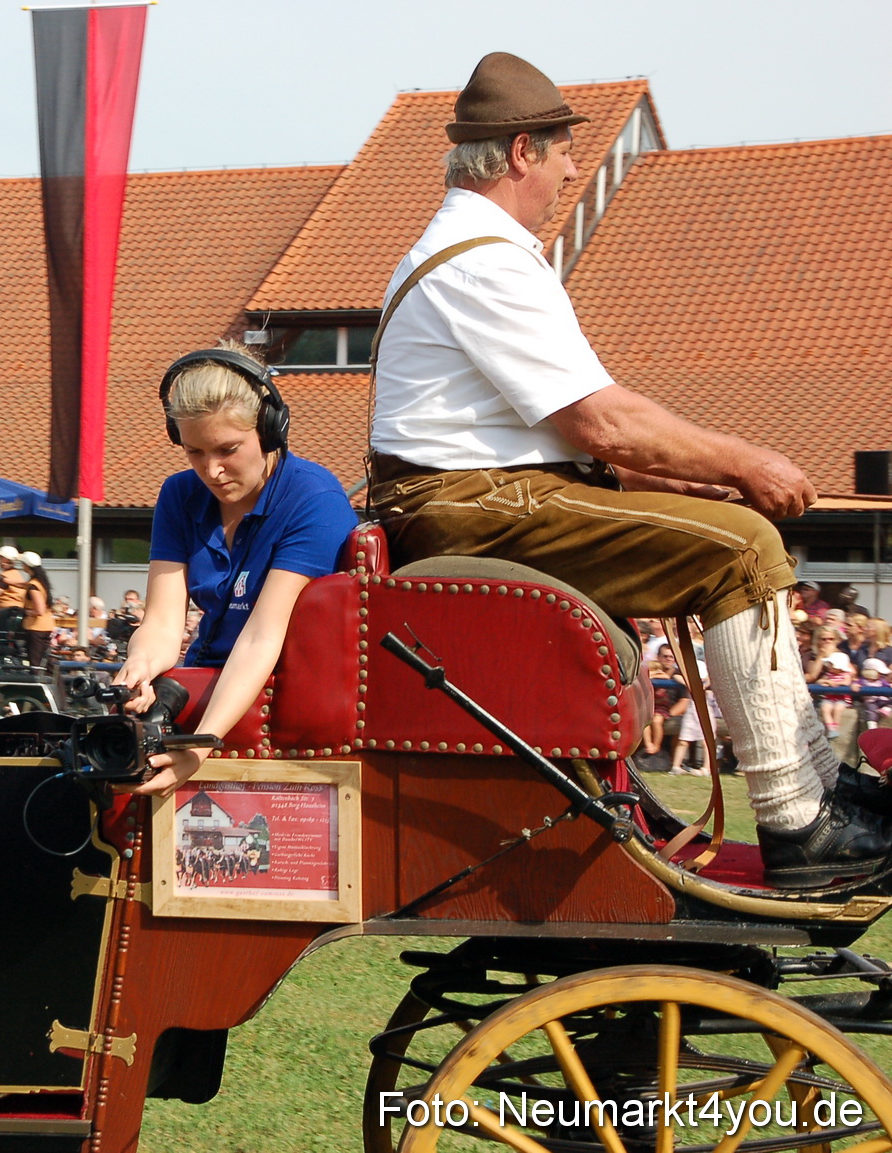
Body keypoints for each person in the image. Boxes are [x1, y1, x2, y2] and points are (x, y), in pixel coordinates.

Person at [366, 51, 886, 887]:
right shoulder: (484, 258)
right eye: (567, 148)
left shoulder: (474, 248)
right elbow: (602, 421)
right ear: (521, 152)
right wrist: (747, 460)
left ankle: (820, 790)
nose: (576, 167)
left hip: (481, 492)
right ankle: (800, 819)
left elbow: (565, 434)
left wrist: (683, 481)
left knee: (726, 530)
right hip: (469, 504)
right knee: (745, 545)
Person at [116, 343, 356, 795]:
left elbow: (262, 638)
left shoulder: (314, 500)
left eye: (227, 449)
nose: (211, 470)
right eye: (194, 452)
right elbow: (163, 622)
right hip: (206, 688)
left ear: (269, 430)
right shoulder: (179, 494)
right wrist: (139, 668)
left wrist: (201, 746)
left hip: (280, 701)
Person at [18, 551, 55, 668]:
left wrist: (25, 612)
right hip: (45, 626)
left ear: (26, 566)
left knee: (36, 662)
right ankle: (59, 685)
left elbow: (40, 610)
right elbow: (23, 584)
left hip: (36, 628)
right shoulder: (40, 582)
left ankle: (37, 684)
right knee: (47, 663)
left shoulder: (33, 586)